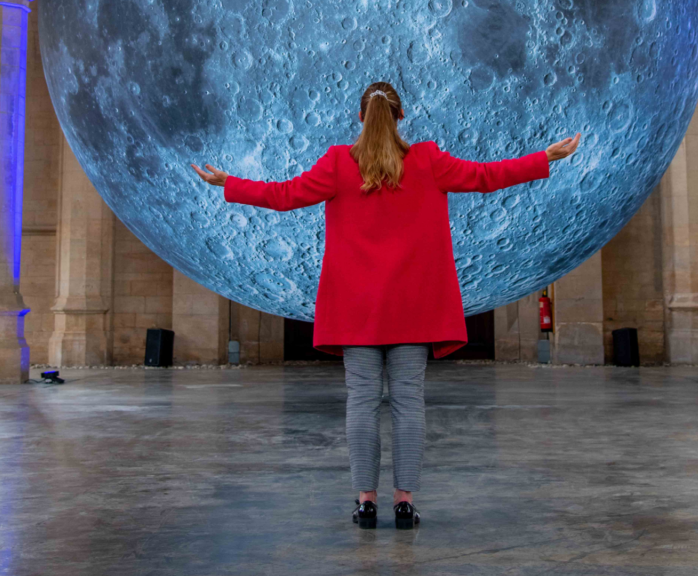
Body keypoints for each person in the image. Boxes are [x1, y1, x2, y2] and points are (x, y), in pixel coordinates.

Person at [191, 81, 580, 530]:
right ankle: (404, 503)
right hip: (414, 310)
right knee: (408, 404)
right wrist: (545, 158)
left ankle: (365, 502)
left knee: (361, 402)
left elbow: (283, 197)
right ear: (401, 118)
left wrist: (229, 183)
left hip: (355, 312)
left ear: (360, 118)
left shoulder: (338, 163)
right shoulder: (429, 160)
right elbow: (486, 177)